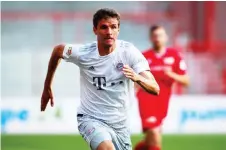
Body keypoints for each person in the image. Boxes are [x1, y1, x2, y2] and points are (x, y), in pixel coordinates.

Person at [40, 8, 159, 150]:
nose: (109, 32)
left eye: (113, 27)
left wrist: (137, 77)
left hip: (121, 125)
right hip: (90, 118)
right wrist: (47, 86)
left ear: (118, 30)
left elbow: (155, 88)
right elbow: (58, 50)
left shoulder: (129, 52)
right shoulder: (85, 53)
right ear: (95, 30)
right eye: (104, 27)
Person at [134, 25, 189, 150]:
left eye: (160, 35)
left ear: (166, 37)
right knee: (154, 133)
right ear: (150, 38)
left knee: (149, 141)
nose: (157, 38)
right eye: (154, 36)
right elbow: (135, 80)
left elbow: (186, 81)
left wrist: (171, 74)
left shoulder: (174, 55)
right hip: (146, 99)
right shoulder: (144, 57)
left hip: (163, 102)